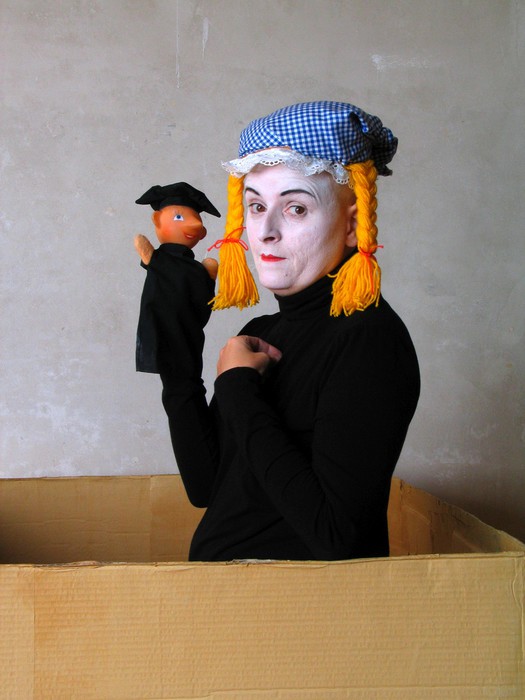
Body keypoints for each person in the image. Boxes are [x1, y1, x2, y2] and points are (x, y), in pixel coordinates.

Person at [157, 101, 420, 561]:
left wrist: (238, 389)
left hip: (292, 603)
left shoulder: (368, 338)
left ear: (353, 225)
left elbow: (337, 537)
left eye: (296, 208)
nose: (265, 231)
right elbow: (207, 487)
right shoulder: (262, 331)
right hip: (217, 597)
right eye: (256, 206)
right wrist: (179, 346)